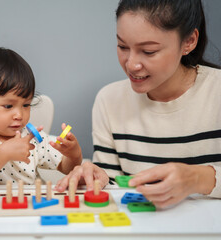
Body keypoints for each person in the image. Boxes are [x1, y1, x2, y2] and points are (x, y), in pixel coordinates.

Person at [55, 0, 221, 208]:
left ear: (189, 41)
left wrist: (197, 178)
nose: (131, 64)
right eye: (123, 46)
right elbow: (113, 188)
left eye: (149, 51)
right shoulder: (109, 100)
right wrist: (97, 176)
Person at [0, 47, 82, 187]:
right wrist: (3, 152)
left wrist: (74, 155)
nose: (19, 115)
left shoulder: (32, 137)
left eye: (26, 105)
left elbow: (67, 168)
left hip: (29, 205)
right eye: (8, 106)